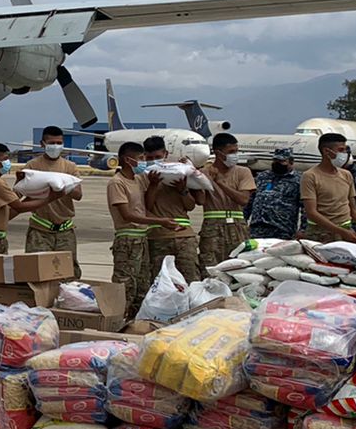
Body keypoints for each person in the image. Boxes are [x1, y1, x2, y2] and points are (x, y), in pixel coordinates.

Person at [107, 142, 176, 318]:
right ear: (128, 160)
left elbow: (145, 202)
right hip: (128, 240)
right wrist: (160, 221)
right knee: (126, 286)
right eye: (141, 158)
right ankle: (117, 321)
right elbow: (127, 215)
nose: (144, 162)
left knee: (142, 286)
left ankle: (135, 322)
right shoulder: (117, 183)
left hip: (142, 239)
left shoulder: (138, 180)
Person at [302, 133, 356, 245]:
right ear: (326, 151)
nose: (344, 154)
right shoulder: (310, 176)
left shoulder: (346, 175)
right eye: (341, 150)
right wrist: (341, 231)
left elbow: (353, 210)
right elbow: (311, 212)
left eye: (345, 150)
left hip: (346, 231)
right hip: (320, 234)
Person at [18, 126, 84, 275]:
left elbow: (78, 195)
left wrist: (63, 185)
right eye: (51, 143)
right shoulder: (32, 166)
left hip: (65, 230)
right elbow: (19, 194)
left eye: (58, 143)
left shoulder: (70, 167)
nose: (55, 146)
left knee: (68, 273)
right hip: (40, 229)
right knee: (36, 272)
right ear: (42, 144)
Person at [143, 135, 203, 281]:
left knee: (190, 279)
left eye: (158, 156)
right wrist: (153, 185)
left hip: (184, 235)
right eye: (150, 157)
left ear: (166, 154)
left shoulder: (178, 172)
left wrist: (182, 190)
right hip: (158, 237)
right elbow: (147, 207)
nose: (154, 160)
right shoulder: (143, 177)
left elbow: (191, 205)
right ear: (144, 157)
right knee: (160, 282)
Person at [199, 133, 255, 266]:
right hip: (212, 227)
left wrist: (220, 182)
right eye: (231, 152)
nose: (235, 155)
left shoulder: (243, 172)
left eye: (236, 151)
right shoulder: (204, 173)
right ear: (218, 153)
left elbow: (243, 199)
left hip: (237, 225)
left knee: (239, 265)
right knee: (210, 266)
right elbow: (200, 200)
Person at [249, 147, 304, 240]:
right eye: (275, 160)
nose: (277, 163)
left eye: (282, 161)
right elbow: (250, 200)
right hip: (257, 228)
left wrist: (303, 229)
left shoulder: (299, 180)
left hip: (282, 230)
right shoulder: (262, 176)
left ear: (291, 162)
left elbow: (305, 207)